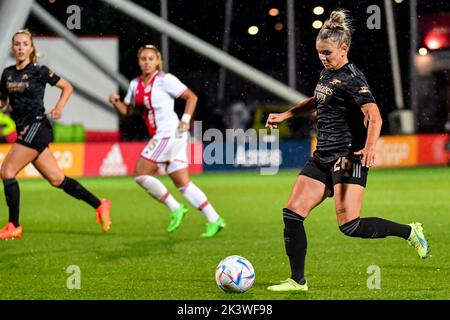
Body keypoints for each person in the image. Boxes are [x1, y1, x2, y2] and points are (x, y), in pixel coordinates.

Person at [265, 11, 429, 292]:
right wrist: (287, 115)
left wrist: (370, 146)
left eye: (327, 53)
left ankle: (410, 232)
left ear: (344, 49)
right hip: (322, 156)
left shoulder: (354, 79)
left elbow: (375, 116)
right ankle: (297, 281)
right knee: (292, 213)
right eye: (319, 53)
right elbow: (317, 98)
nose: (322, 58)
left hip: (348, 158)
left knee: (350, 226)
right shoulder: (327, 73)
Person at [0, 29, 112, 240]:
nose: (21, 48)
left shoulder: (39, 71)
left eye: (25, 44)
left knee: (7, 171)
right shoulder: (7, 73)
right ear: (13, 48)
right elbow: (3, 100)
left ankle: (14, 225)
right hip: (25, 130)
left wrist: (59, 107)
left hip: (38, 126)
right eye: (17, 44)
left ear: (31, 48)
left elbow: (67, 87)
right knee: (56, 179)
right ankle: (100, 204)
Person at [108, 44, 225, 238]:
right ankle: (215, 219)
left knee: (140, 173)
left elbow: (191, 97)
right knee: (183, 183)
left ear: (157, 61)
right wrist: (115, 102)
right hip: (169, 136)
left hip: (169, 133)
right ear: (139, 62)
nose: (147, 62)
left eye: (151, 59)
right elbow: (128, 112)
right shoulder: (134, 84)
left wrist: (186, 120)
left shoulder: (165, 80)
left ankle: (175, 207)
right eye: (143, 59)